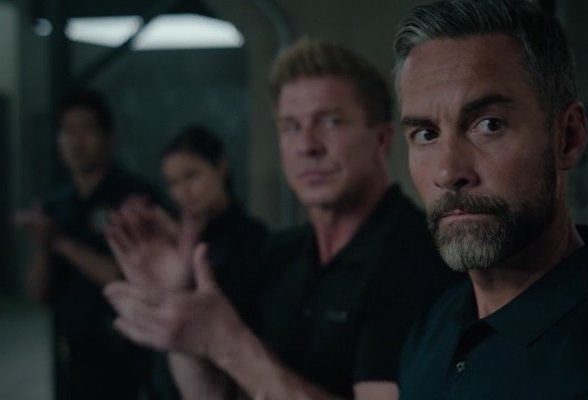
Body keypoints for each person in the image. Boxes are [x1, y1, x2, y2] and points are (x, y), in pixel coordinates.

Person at [102, 38, 458, 400]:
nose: (307, 145)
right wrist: (178, 303)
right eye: (291, 127)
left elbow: (233, 352)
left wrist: (229, 343)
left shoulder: (417, 257)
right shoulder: (275, 254)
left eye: (331, 122)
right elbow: (213, 395)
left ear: (381, 140)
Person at [392, 0, 588, 399]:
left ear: (568, 138)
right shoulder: (433, 325)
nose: (447, 172)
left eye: (489, 125)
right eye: (426, 134)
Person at [13, 89, 159, 400]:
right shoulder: (56, 205)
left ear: (109, 137)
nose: (76, 141)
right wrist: (43, 247)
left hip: (127, 359)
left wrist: (62, 243)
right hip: (71, 358)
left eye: (86, 129)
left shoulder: (133, 199)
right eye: (67, 131)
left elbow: (126, 277)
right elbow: (37, 293)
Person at [148, 126, 268, 399]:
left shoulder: (252, 238)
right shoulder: (173, 238)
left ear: (221, 168)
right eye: (173, 183)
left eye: (192, 176)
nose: (183, 191)